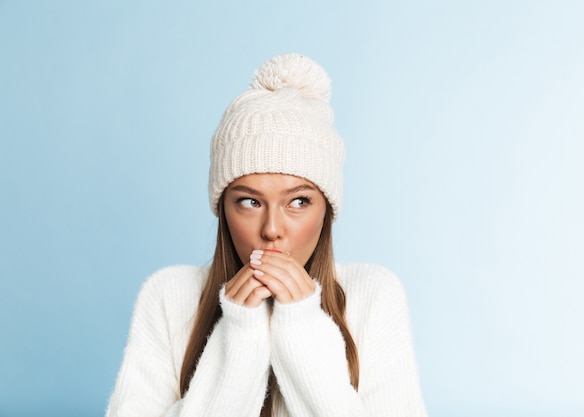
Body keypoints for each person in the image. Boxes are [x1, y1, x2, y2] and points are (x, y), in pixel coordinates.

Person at [105, 53, 428, 417]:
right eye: (248, 202)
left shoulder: (373, 293)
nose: (272, 230)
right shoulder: (168, 294)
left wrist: (302, 325)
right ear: (222, 208)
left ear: (327, 210)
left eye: (299, 201)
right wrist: (239, 336)